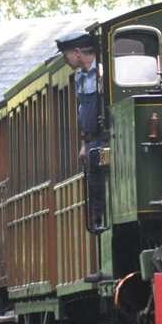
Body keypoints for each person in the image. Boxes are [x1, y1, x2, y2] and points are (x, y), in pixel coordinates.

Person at [56, 30, 109, 283]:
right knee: (95, 199)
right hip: (91, 142)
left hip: (106, 140)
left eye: (66, 55)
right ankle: (101, 256)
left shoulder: (106, 70)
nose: (65, 59)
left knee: (106, 195)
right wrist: (83, 142)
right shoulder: (80, 78)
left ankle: (108, 257)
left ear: (77, 52)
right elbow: (82, 111)